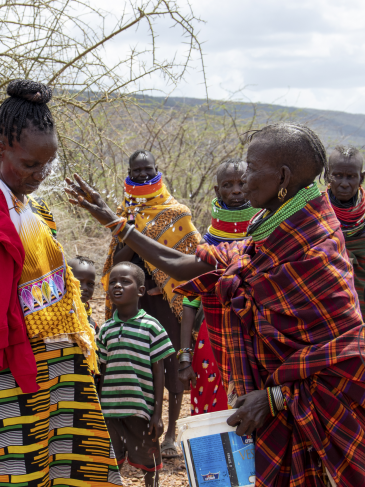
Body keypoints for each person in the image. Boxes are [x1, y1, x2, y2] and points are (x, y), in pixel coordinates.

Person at [66, 122, 365, 486]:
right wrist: (115, 223)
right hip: (274, 414)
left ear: (283, 177)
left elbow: (347, 353)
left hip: (321, 418)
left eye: (253, 168)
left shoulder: (316, 248)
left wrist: (275, 398)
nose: (246, 176)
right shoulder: (268, 229)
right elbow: (182, 263)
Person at [0, 80, 123, 487]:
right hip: (0, 387)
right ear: (1, 149)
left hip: (61, 378)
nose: (40, 174)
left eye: (47, 164)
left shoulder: (39, 213)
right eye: (30, 164)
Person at [102, 149, 200, 458]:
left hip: (168, 303)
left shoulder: (177, 212)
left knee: (171, 368)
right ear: (128, 173)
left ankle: (170, 432)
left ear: (157, 170)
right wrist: (130, 229)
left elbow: (188, 257)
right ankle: (138, 432)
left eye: (148, 169)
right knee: (139, 367)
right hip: (135, 306)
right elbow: (116, 261)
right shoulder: (122, 213)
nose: (142, 175)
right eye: (136, 170)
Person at [179, 159, 259, 415]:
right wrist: (184, 355)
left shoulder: (265, 230)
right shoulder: (207, 242)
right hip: (211, 335)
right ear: (217, 191)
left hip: (256, 330)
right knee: (213, 408)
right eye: (228, 185)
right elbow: (191, 300)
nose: (236, 190)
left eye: (242, 183)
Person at [97, 262, 175, 486]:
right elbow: (102, 371)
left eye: (125, 281)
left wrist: (157, 414)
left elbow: (159, 371)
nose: (117, 286)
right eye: (112, 282)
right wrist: (100, 406)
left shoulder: (151, 326)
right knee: (111, 460)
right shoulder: (105, 329)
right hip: (110, 410)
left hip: (140, 410)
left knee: (149, 460)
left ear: (140, 291)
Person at [325, 146, 365, 317]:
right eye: (338, 175)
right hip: (326, 299)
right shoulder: (314, 209)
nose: (344, 183)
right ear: (328, 175)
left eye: (351, 177)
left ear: (361, 178)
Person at [67, 255, 98, 333]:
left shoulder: (92, 324)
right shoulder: (56, 317)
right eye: (79, 282)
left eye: (90, 283)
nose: (85, 288)